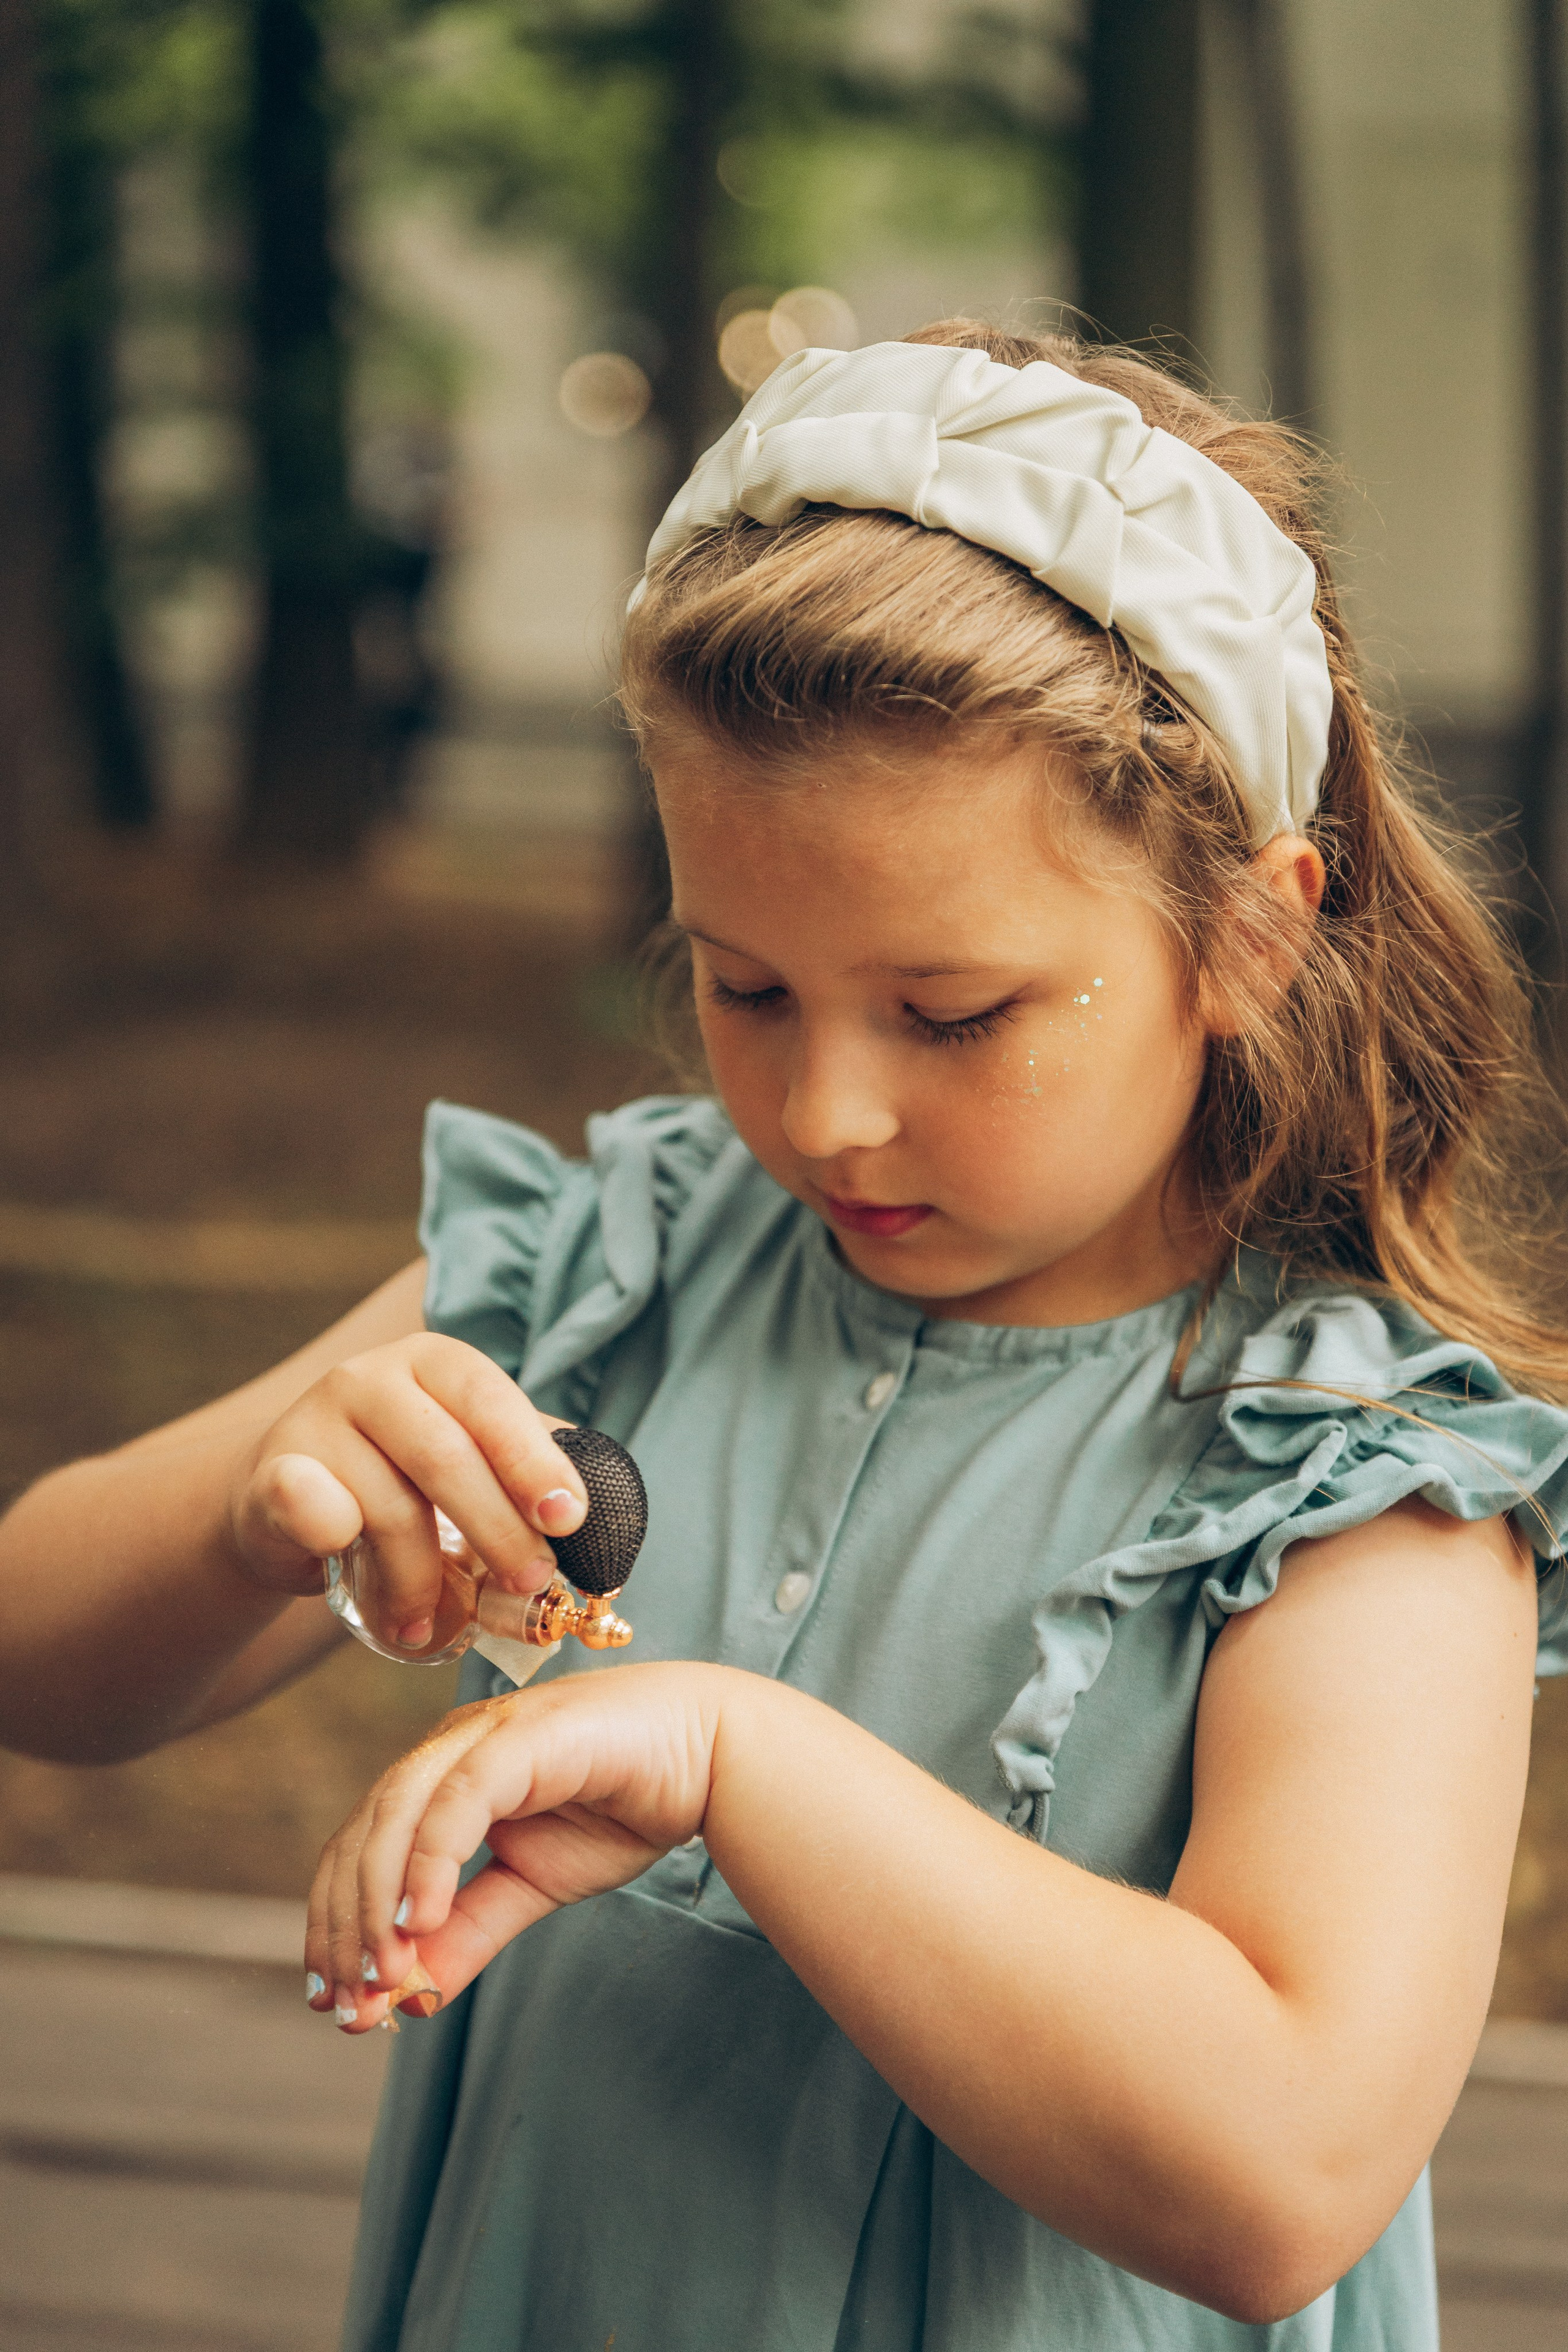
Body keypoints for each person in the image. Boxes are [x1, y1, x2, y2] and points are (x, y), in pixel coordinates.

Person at [4, 322, 1567, 2352]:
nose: (826, 1112)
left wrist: (740, 1759)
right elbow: (39, 1658)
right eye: (745, 988)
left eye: (950, 1015)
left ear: (1251, 936)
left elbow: (1281, 2177)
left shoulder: (1356, 1476)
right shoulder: (622, 1266)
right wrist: (271, 1486)